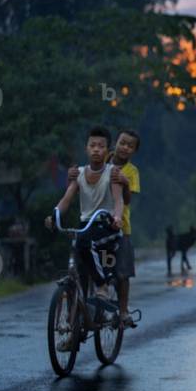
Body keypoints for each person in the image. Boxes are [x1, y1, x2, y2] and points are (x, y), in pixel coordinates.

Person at [47, 126, 124, 309]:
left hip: (106, 224)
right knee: (79, 262)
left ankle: (102, 285)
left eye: (101, 146)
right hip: (85, 225)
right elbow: (66, 199)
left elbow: (118, 199)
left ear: (108, 150)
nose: (96, 149)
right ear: (86, 149)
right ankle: (76, 324)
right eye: (92, 145)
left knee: (84, 243)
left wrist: (118, 217)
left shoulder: (112, 173)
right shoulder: (79, 174)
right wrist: (53, 215)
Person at [68, 129, 140, 328]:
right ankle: (77, 321)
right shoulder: (101, 159)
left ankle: (123, 311)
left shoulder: (131, 172)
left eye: (130, 145)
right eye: (122, 142)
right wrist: (72, 174)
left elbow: (126, 200)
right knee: (83, 266)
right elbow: (83, 177)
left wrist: (124, 183)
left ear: (134, 151)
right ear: (114, 144)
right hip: (93, 224)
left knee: (121, 271)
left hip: (120, 227)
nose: (125, 147)